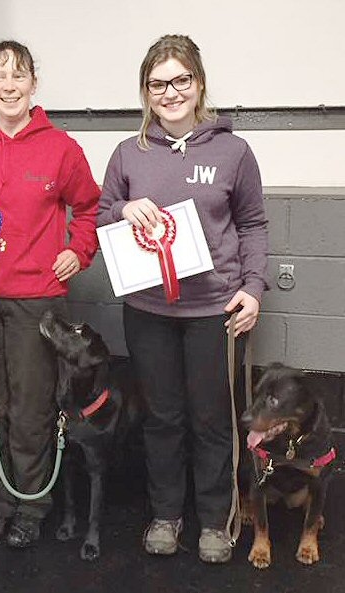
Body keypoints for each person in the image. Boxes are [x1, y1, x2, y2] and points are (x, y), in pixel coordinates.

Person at [97, 34, 267, 563]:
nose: (169, 92)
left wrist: (253, 288)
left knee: (211, 419)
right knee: (162, 417)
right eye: (157, 84)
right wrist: (124, 211)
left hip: (214, 312)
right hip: (147, 312)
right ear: (145, 93)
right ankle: (166, 514)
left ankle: (215, 520)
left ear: (198, 84)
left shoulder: (233, 151)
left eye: (180, 81)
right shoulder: (129, 153)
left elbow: (254, 224)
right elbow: (101, 216)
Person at [0, 40, 100, 548]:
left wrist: (77, 251)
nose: (8, 85)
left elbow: (91, 210)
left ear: (34, 83)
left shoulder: (61, 149)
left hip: (36, 300)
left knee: (31, 409)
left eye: (19, 76)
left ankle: (32, 504)